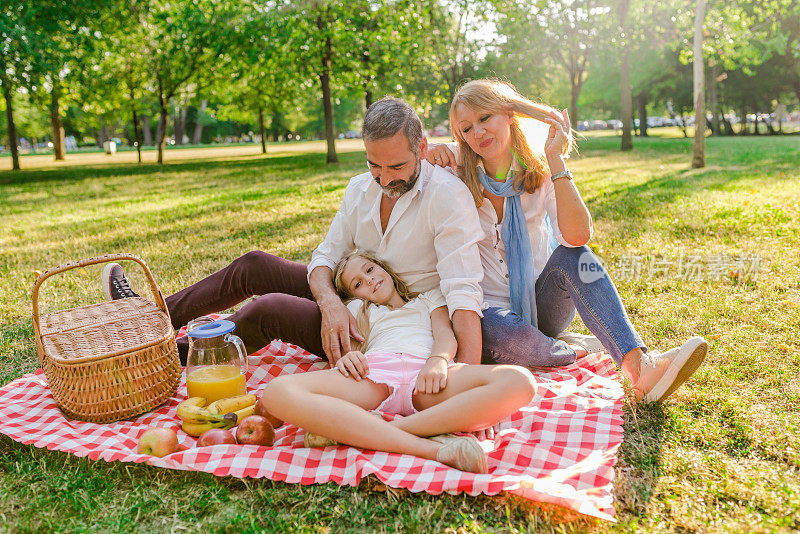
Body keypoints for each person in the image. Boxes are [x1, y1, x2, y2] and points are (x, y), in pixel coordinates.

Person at [102, 97, 485, 366]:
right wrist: (330, 304)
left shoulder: (448, 197)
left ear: (422, 147)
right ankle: (145, 319)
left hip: (391, 318)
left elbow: (462, 291)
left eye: (396, 167)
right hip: (349, 289)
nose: (384, 179)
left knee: (270, 309)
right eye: (374, 166)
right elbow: (325, 257)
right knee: (255, 265)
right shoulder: (359, 189)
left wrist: (463, 378)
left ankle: (169, 354)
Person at [424, 79, 707, 402]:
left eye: (485, 118)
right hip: (489, 313)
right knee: (491, 330)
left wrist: (556, 161)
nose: (477, 133)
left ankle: (639, 367)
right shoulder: (455, 177)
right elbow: (394, 170)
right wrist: (432, 154)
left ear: (509, 115)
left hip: (543, 303)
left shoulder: (539, 171)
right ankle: (572, 349)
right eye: (466, 128)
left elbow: (577, 236)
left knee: (577, 256)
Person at [259, 251, 538, 473]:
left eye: (369, 270)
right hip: (374, 375)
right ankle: (432, 448)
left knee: (521, 381)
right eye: (357, 284)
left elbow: (445, 336)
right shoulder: (358, 309)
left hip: (429, 378)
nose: (367, 280)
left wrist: (437, 361)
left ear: (384, 268)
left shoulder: (429, 298)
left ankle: (375, 431)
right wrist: (350, 358)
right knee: (276, 391)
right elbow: (353, 347)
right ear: (354, 295)